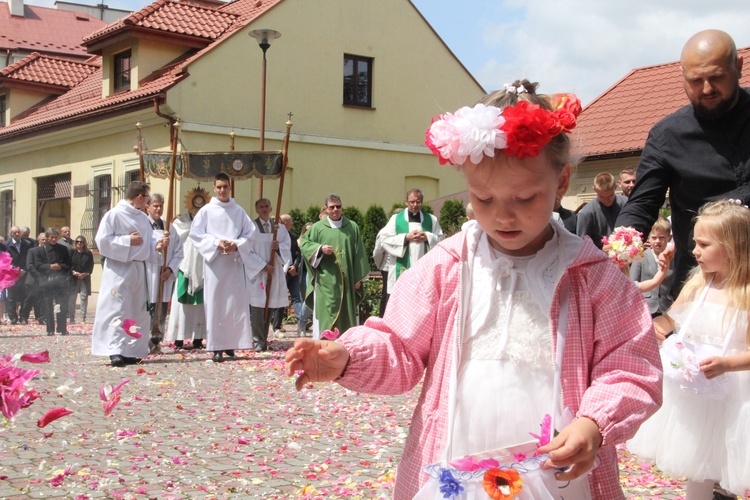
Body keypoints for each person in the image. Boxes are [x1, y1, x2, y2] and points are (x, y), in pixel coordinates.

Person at [285, 81, 662, 499]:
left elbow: (629, 366)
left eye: (524, 197)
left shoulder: (591, 276)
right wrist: (349, 357)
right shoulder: (448, 267)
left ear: (562, 181)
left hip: (558, 467)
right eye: (483, 198)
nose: (503, 215)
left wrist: (594, 422)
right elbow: (401, 346)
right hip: (457, 455)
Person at [628, 200, 750, 499]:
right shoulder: (697, 284)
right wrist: (658, 328)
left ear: (734, 246)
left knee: (730, 460)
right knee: (698, 462)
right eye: (694, 242)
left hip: (734, 391)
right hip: (696, 392)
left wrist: (727, 364)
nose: (694, 250)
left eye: (704, 244)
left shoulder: (745, 294)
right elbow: (671, 319)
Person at [617, 30, 750, 297]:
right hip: (702, 287)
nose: (707, 89)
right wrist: (621, 244)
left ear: (738, 67)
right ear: (683, 76)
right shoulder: (667, 135)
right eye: (695, 80)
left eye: (716, 77)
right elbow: (642, 204)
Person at [92, 181, 168, 367]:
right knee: (118, 309)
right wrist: (127, 240)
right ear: (140, 197)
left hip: (138, 270)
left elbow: (147, 242)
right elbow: (101, 241)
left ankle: (130, 350)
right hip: (119, 269)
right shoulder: (114, 215)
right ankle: (115, 350)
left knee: (136, 310)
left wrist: (155, 246)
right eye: (147, 199)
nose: (148, 203)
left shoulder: (142, 218)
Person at [189, 173, 256, 362]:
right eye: (219, 187)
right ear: (214, 188)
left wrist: (236, 244)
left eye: (225, 186)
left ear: (230, 187)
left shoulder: (238, 211)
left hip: (233, 263)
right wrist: (216, 243)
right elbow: (196, 235)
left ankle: (231, 344)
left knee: (234, 304)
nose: (222, 190)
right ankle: (216, 346)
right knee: (216, 303)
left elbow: (250, 234)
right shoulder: (206, 211)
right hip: (215, 264)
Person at [299, 194, 369, 339]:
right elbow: (304, 244)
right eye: (332, 207)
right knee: (327, 311)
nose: (336, 210)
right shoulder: (318, 228)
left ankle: (346, 344)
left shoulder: (352, 227)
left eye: (338, 206)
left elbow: (359, 253)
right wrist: (319, 249)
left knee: (346, 312)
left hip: (348, 280)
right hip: (326, 280)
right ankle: (324, 343)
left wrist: (358, 278)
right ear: (326, 209)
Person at [380, 189, 443, 298]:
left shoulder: (431, 220)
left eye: (418, 202)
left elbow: (441, 240)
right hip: (402, 267)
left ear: (422, 202)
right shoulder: (396, 219)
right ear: (406, 202)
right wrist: (405, 237)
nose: (415, 205)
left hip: (424, 269)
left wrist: (428, 237)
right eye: (412, 202)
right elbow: (384, 239)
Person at [248, 198, 291, 352]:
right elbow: (247, 251)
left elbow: (288, 245)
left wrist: (278, 247)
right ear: (257, 210)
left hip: (274, 271)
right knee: (258, 306)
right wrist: (263, 265)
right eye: (261, 207)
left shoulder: (278, 228)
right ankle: (257, 340)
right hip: (259, 272)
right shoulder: (252, 227)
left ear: (271, 208)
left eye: (266, 206)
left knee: (269, 305)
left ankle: (263, 338)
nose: (264, 209)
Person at [145, 193, 184, 353]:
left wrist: (170, 269)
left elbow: (179, 252)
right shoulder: (142, 225)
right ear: (147, 207)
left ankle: (156, 340)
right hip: (148, 274)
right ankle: (144, 340)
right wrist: (155, 247)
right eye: (155, 205)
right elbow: (137, 249)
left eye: (161, 205)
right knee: (148, 309)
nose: (159, 209)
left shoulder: (169, 228)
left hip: (164, 275)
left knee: (161, 310)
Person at [166, 208, 206, 350]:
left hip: (201, 267)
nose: (197, 209)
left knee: (200, 306)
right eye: (195, 205)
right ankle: (179, 337)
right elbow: (174, 241)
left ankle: (198, 338)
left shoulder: (206, 221)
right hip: (184, 267)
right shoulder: (180, 223)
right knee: (181, 305)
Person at [26, 228, 73, 336]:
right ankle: (50, 329)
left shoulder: (63, 249)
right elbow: (37, 265)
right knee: (47, 306)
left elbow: (68, 264)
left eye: (55, 237)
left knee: (62, 305)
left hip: (60, 281)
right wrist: (50, 266)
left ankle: (62, 328)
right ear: (47, 238)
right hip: (46, 281)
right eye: (51, 237)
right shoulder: (40, 250)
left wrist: (60, 266)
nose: (53, 239)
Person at [629, 216, 675, 317]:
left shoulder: (672, 258)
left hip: (667, 308)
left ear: (669, 238)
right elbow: (633, 282)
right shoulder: (640, 257)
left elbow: (675, 285)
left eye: (662, 238)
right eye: (654, 238)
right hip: (646, 308)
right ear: (649, 238)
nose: (657, 241)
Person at [272, 214, 308, 336]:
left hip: (293, 273)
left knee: (297, 297)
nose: (292, 224)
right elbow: (276, 255)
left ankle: (301, 322)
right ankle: (276, 326)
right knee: (280, 299)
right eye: (291, 222)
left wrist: (295, 266)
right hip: (282, 271)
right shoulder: (274, 238)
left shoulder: (291, 237)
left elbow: (298, 254)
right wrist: (286, 269)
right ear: (286, 223)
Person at [576, 172, 627, 249]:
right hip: (600, 257)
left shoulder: (626, 204)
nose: (607, 200)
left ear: (615, 187)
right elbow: (582, 245)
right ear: (594, 189)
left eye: (610, 195)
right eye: (601, 196)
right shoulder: (586, 213)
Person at [6, 226, 30, 325]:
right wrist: (15, 270)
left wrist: (24, 269)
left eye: (18, 232)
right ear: (11, 234)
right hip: (11, 274)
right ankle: (13, 318)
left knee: (25, 296)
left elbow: (29, 258)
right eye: (14, 232)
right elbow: (4, 260)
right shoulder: (5, 245)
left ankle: (23, 317)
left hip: (24, 273)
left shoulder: (27, 244)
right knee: (11, 297)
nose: (17, 234)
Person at [70, 236, 94, 323]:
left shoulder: (88, 253)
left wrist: (85, 274)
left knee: (84, 297)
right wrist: (74, 272)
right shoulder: (72, 252)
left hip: (85, 277)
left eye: (81, 242)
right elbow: (69, 264)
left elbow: (91, 266)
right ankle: (72, 317)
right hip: (73, 277)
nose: (79, 243)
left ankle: (82, 317)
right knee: (72, 297)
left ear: (84, 243)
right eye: (77, 242)